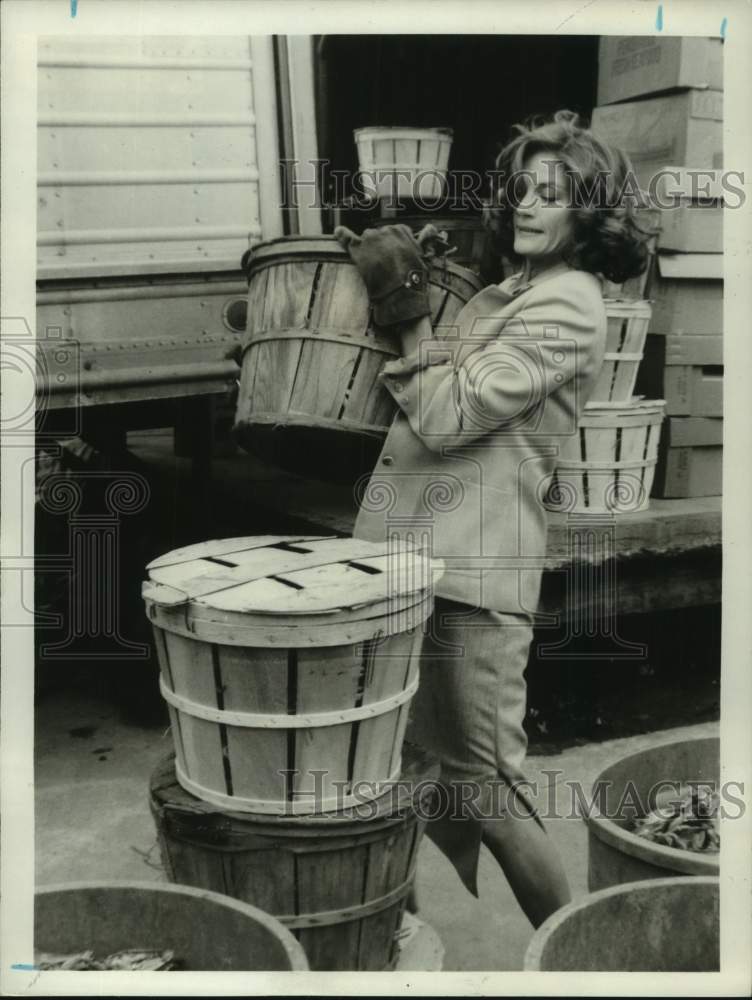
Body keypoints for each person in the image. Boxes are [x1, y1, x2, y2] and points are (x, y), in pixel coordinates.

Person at [334, 110, 652, 928]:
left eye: (554, 194)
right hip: (416, 555)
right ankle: (387, 936)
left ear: (590, 214)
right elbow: (429, 379)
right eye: (521, 189)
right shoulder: (510, 293)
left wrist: (407, 315)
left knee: (487, 783)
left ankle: (581, 957)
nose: (527, 204)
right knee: (400, 764)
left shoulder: (572, 305)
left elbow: (447, 416)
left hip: (476, 570)